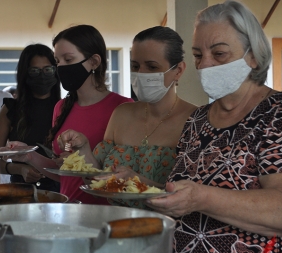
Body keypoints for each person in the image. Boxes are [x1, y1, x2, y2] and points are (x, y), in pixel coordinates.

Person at [147, 0, 282, 253]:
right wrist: (140, 186)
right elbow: (187, 193)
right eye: (197, 55)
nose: (205, 64)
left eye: (219, 54)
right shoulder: (197, 121)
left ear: (253, 56)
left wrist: (201, 198)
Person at [58, 26, 197, 209]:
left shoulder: (196, 121)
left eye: (152, 67)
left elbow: (192, 196)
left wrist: (139, 181)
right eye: (135, 66)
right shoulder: (122, 113)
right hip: (115, 224)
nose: (142, 74)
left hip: (166, 229)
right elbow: (99, 177)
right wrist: (84, 149)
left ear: (178, 70)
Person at [10, 25, 133, 204]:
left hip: (105, 213)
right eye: (58, 61)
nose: (61, 68)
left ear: (94, 61)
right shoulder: (61, 107)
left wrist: (85, 155)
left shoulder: (123, 107)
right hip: (69, 209)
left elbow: (125, 177)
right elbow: (64, 174)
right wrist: (28, 156)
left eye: (68, 59)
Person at [0, 44, 61, 192]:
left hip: (61, 192)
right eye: (35, 71)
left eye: (48, 70)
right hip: (21, 193)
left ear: (56, 72)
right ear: (25, 74)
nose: (42, 76)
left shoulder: (66, 108)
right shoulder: (10, 110)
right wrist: (19, 169)